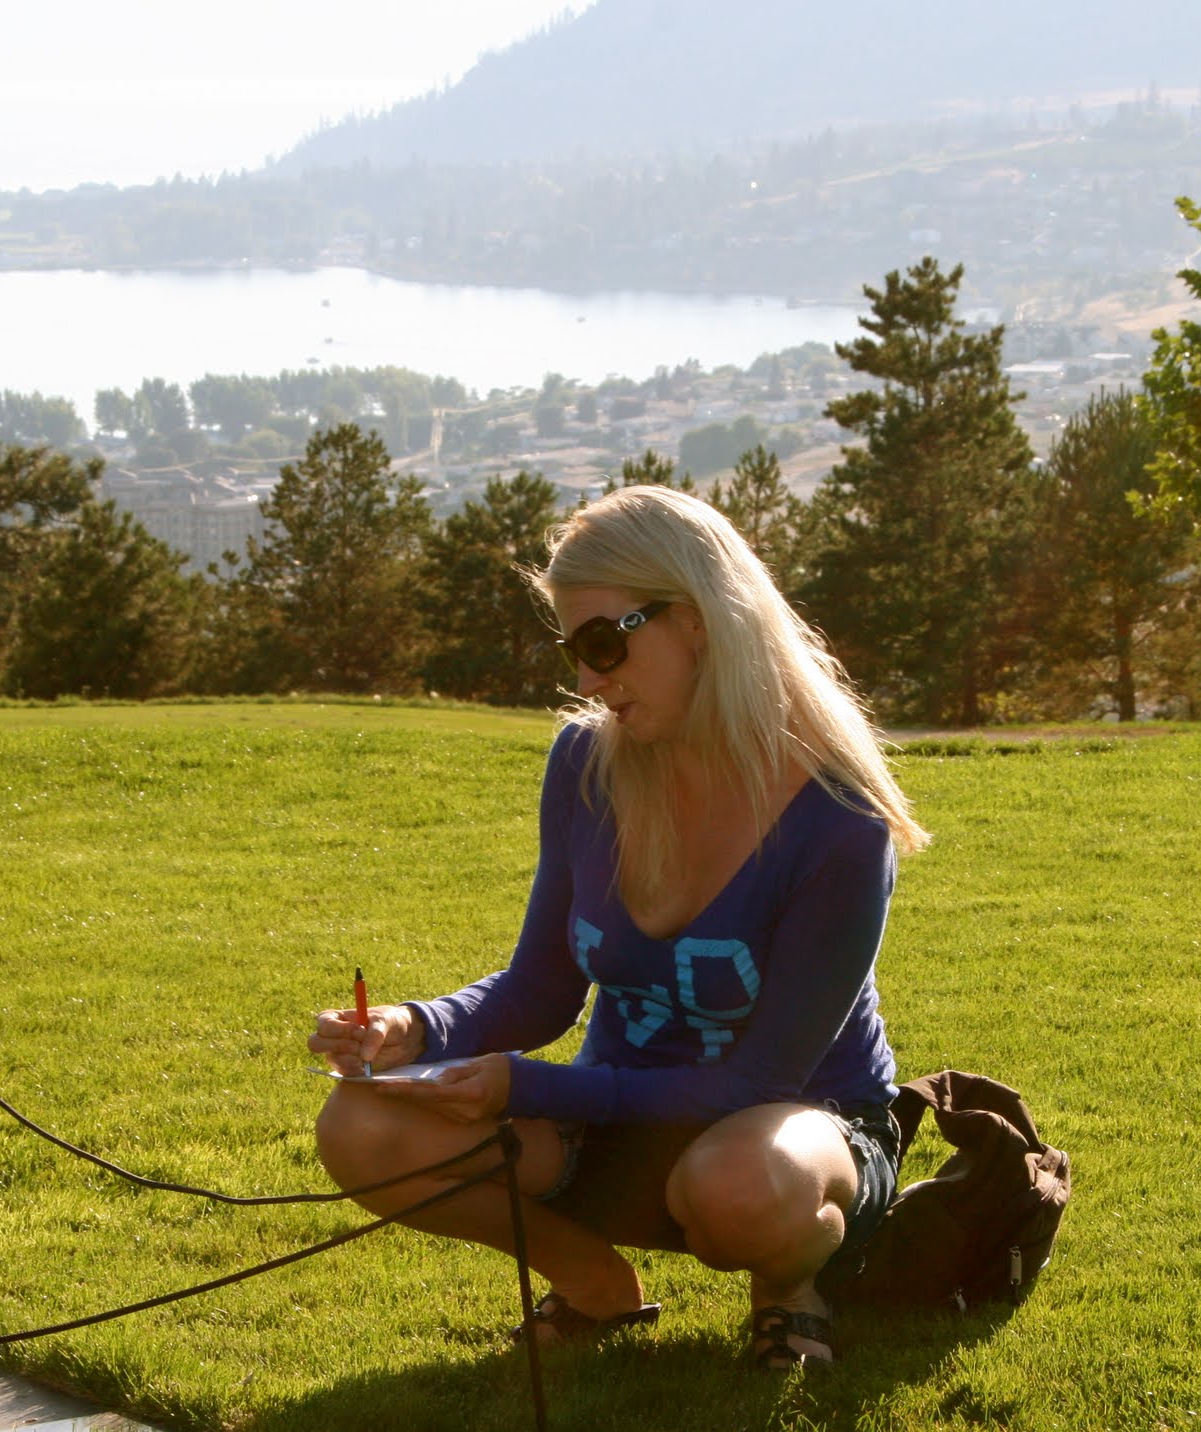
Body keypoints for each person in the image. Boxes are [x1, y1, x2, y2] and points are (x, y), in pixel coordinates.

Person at [310, 485, 929, 1369]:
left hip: (793, 1133)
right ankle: (594, 1282)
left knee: (740, 1182)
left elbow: (756, 1081)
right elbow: (541, 988)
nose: (588, 681)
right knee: (360, 1125)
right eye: (574, 651)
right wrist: (415, 1027)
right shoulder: (587, 763)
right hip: (618, 1124)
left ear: (698, 621)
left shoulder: (837, 816)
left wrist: (526, 1088)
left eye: (604, 644)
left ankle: (791, 1286)